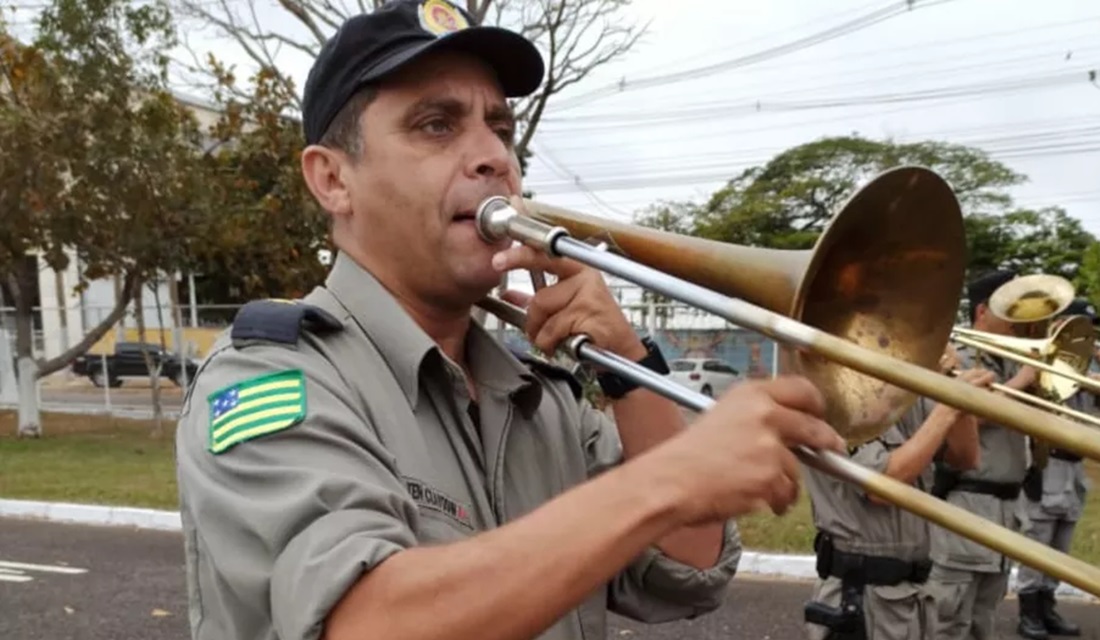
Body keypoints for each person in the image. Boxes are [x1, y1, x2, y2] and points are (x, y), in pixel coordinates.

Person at [172, 2, 847, 640]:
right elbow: (366, 619)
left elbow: (687, 568)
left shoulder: (539, 397)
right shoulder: (269, 376)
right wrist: (669, 479)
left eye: (500, 128)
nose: (496, 157)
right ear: (332, 180)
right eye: (436, 125)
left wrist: (629, 365)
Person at [801, 344, 995, 640]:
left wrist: (953, 392)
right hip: (861, 598)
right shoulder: (835, 401)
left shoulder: (906, 396)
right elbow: (882, 486)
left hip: (913, 594)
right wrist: (948, 409)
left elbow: (965, 458)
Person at [924, 269, 1040, 640]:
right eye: (1011, 308)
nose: (1020, 318)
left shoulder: (1011, 360)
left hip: (1006, 509)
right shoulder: (958, 357)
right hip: (967, 504)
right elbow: (961, 416)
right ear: (982, 312)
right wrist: (1022, 382)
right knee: (948, 620)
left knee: (981, 621)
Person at [1014, 298, 1099, 639]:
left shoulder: (1089, 367)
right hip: (1049, 464)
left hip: (1076, 468)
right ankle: (1028, 610)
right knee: (1038, 539)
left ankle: (1047, 605)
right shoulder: (1045, 366)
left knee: (1061, 542)